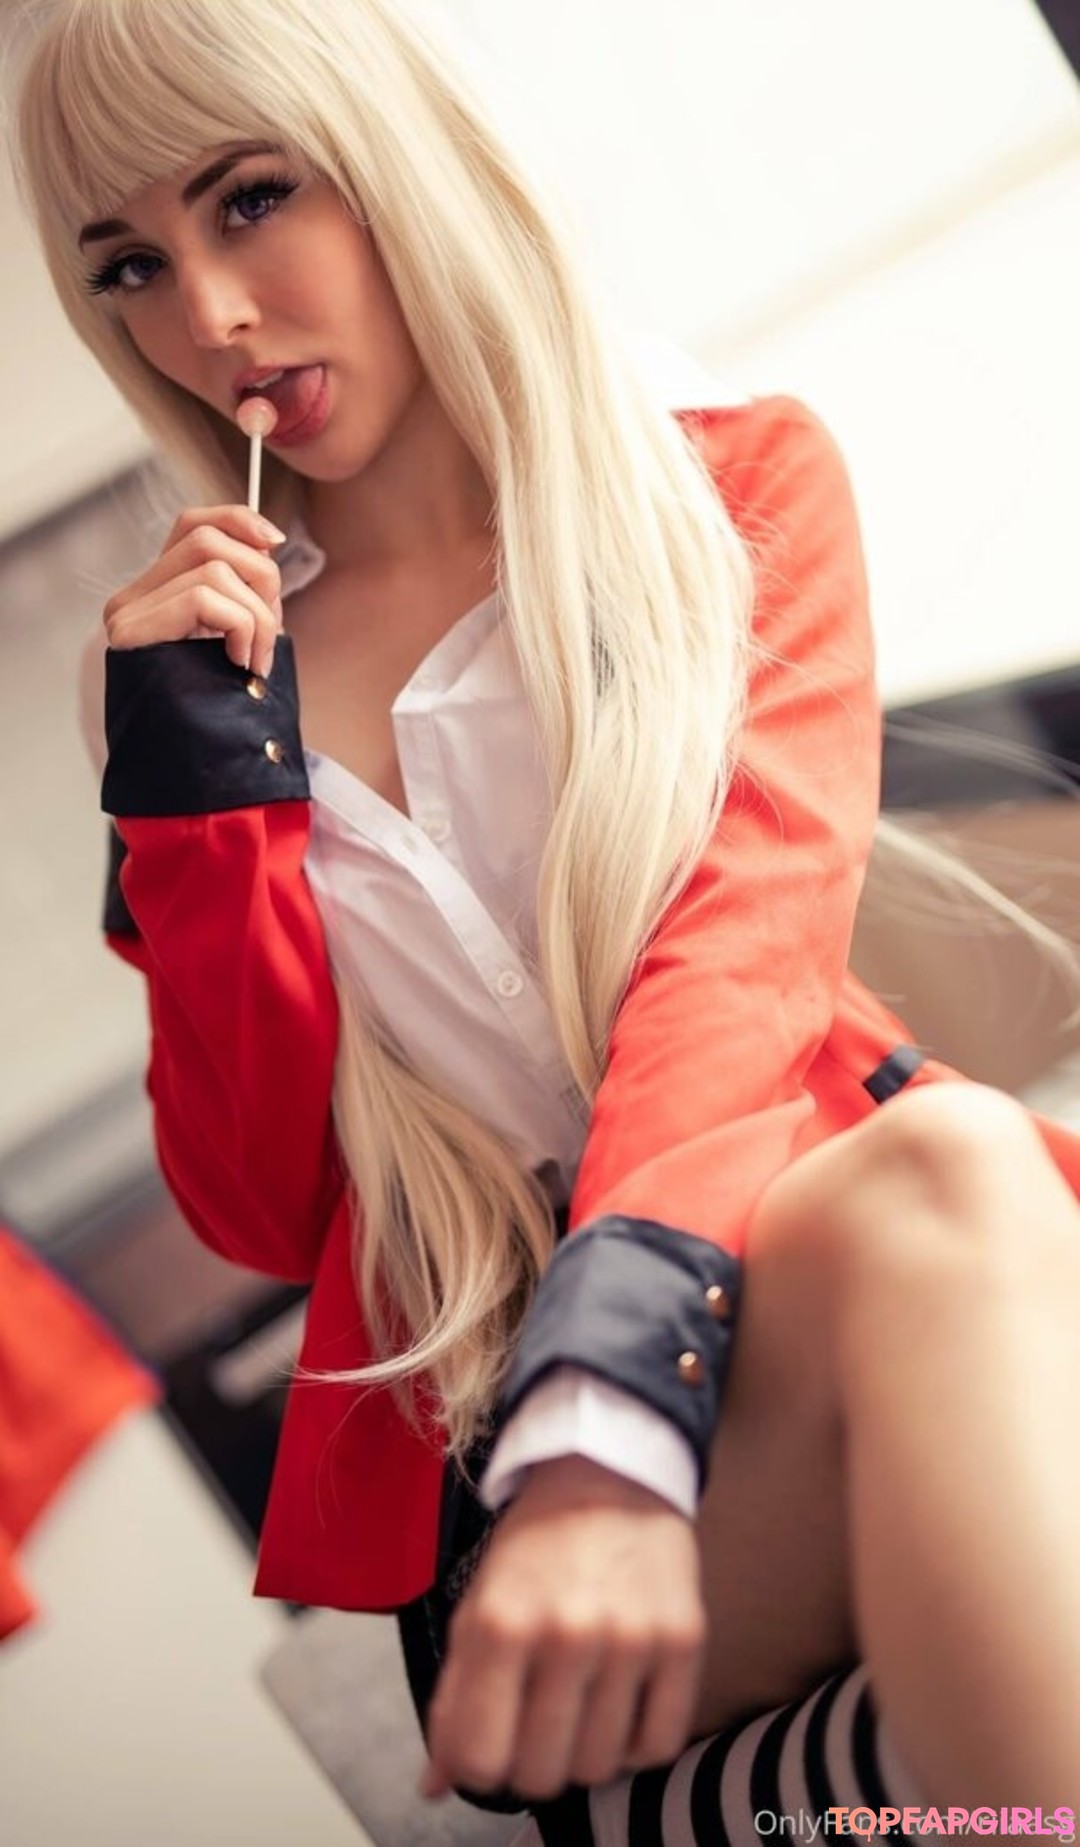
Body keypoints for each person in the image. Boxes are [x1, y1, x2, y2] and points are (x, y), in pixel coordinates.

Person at [9, 0, 1080, 1837]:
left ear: (398, 162)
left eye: (252, 198)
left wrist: (620, 1410)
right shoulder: (183, 684)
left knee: (948, 1176)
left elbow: (736, 971)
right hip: (503, 1473)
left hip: (818, 1292)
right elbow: (263, 1198)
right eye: (131, 268)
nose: (210, 317)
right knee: (955, 1172)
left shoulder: (726, 482)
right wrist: (195, 810)